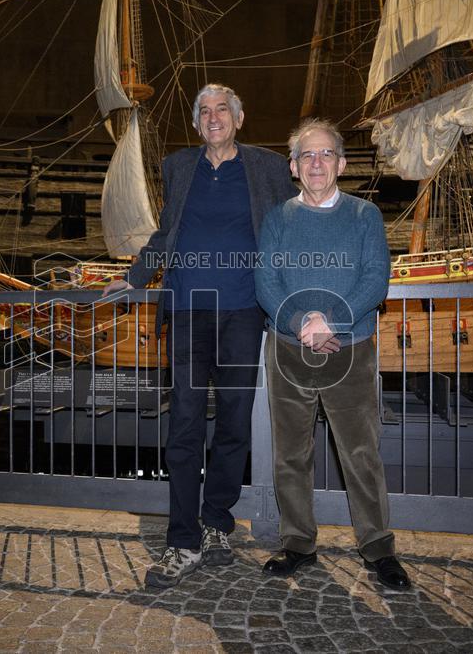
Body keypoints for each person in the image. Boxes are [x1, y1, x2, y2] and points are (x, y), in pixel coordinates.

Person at [104, 84, 297, 588]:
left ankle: (217, 523)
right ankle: (182, 540)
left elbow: (288, 229)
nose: (214, 118)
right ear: (197, 124)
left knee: (234, 422)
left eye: (222, 111)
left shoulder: (269, 168)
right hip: (190, 312)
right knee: (185, 425)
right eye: (205, 112)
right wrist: (136, 277)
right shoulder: (180, 166)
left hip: (243, 311)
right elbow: (166, 233)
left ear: (239, 117)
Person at [255, 118, 411, 590]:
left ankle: (378, 548)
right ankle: (298, 543)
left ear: (341, 163)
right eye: (307, 155)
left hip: (351, 348)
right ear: (293, 166)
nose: (317, 163)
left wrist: (330, 323)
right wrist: (303, 324)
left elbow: (374, 280)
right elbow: (267, 281)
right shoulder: (277, 218)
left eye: (325, 154)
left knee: (360, 452)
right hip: (288, 350)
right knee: (291, 456)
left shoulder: (365, 216)